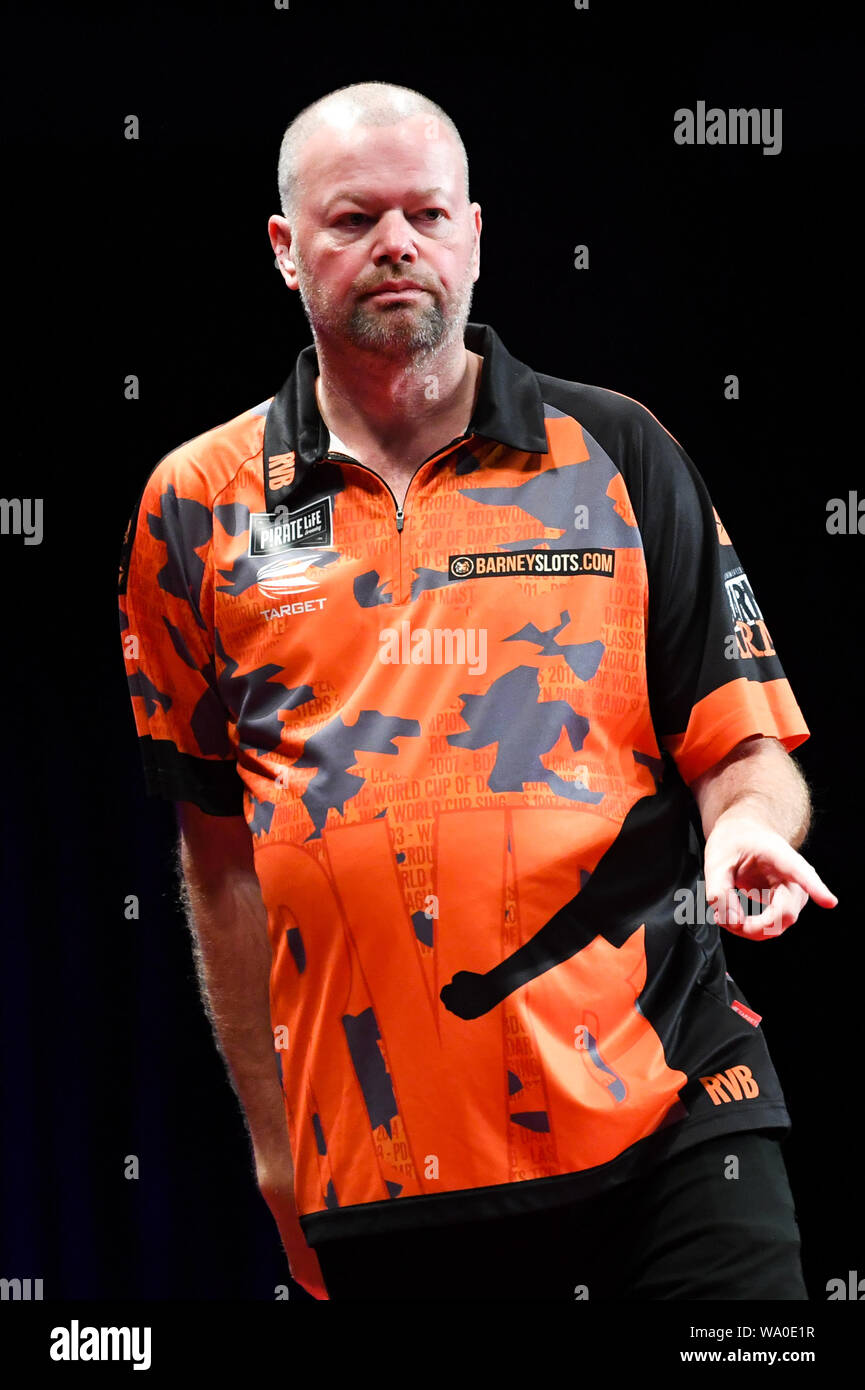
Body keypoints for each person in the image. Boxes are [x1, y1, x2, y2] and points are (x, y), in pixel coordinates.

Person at [117, 80, 837, 1302]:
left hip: (670, 1111)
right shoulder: (193, 505)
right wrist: (274, 1145)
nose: (396, 242)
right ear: (286, 251)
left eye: (425, 213)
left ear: (476, 237)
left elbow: (742, 744)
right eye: (352, 219)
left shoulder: (617, 450)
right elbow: (218, 857)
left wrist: (753, 826)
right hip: (392, 1170)